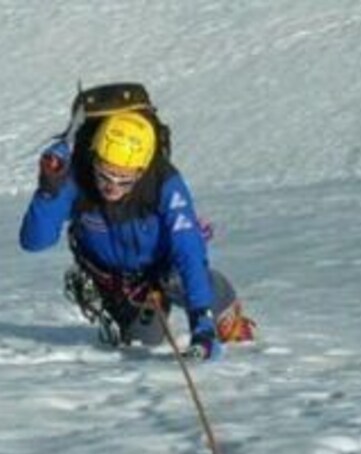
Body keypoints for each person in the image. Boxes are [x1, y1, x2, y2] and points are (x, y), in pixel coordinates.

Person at [19, 83, 255, 360]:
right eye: (105, 175)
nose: (112, 187)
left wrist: (201, 321)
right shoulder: (73, 178)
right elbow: (35, 242)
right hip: (119, 281)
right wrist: (49, 191)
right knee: (143, 343)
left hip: (166, 268)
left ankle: (224, 306)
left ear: (141, 172)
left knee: (180, 279)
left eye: (124, 179)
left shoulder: (165, 183)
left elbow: (188, 249)